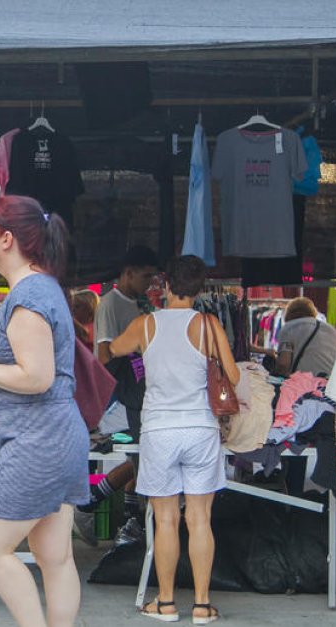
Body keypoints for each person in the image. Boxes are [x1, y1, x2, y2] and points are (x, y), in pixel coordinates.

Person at [0, 196, 89, 627]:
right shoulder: (42, 287)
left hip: (39, 440)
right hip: (58, 435)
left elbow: (37, 376)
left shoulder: (29, 295)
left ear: (7, 238)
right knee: (54, 556)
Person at [109, 255, 237, 624]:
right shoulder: (208, 324)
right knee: (199, 518)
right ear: (198, 290)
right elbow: (233, 376)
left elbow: (113, 350)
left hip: (159, 430)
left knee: (165, 520)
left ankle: (165, 604)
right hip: (200, 429)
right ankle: (201, 605)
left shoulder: (144, 324)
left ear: (164, 287)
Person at [74, 246, 159, 545]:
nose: (149, 282)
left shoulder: (141, 302)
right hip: (125, 390)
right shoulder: (111, 304)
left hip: (142, 388)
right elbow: (104, 355)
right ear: (128, 273)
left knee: (145, 455)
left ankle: (116, 514)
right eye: (145, 276)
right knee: (143, 455)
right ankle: (115, 513)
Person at [250, 297, 336, 376]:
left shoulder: (289, 328)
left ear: (289, 312)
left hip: (305, 385)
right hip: (333, 385)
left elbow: (283, 364)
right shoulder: (332, 330)